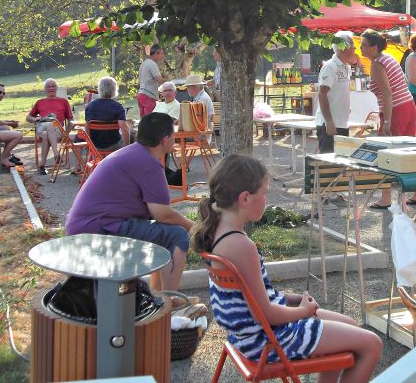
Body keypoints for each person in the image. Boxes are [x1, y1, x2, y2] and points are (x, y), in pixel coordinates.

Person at [190, 154, 383, 381]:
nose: (266, 199)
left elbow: (249, 297)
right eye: (264, 193)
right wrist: (303, 311)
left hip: (249, 336)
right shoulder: (240, 245)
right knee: (371, 343)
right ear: (244, 199)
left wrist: (289, 298)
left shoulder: (217, 232)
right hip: (269, 339)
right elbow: (266, 314)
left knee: (350, 326)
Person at [66, 112, 193, 291]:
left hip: (85, 225)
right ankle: (170, 300)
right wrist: (194, 227)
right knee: (177, 234)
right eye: (173, 137)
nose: (174, 140)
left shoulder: (132, 153)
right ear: (165, 140)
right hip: (97, 228)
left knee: (162, 235)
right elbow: (163, 215)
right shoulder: (148, 162)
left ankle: (157, 296)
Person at [360, 29, 416, 208]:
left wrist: (386, 121)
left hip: (396, 109)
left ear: (374, 47)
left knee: (386, 154)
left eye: (364, 45)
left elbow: (387, 93)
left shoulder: (377, 64)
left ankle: (386, 198)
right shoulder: (388, 57)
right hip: (408, 105)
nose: (361, 48)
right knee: (409, 150)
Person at [315, 31, 356, 153]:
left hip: (342, 123)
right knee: (328, 164)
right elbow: (322, 94)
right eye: (352, 44)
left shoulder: (346, 66)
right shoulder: (330, 66)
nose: (354, 48)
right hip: (330, 124)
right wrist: (329, 121)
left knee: (340, 162)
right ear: (342, 47)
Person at [26, 78, 73, 175]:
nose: (51, 88)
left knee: (45, 134)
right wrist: (35, 119)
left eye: (53, 86)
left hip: (57, 130)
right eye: (48, 86)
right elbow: (28, 117)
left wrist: (66, 134)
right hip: (41, 126)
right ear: (45, 89)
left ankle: (42, 165)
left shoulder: (63, 101)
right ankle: (56, 154)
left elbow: (71, 121)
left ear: (57, 88)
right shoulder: (40, 102)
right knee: (48, 125)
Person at [84, 76, 130, 151]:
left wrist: (89, 145)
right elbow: (124, 129)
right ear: (114, 90)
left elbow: (87, 127)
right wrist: (126, 149)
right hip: (114, 146)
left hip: (95, 147)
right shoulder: (118, 107)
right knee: (130, 134)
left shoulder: (90, 106)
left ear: (99, 90)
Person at [137, 44, 168, 117]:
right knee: (150, 120)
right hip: (148, 96)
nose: (163, 56)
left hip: (141, 94)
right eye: (161, 53)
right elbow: (160, 81)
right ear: (156, 53)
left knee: (143, 121)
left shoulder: (144, 63)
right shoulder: (152, 64)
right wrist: (168, 79)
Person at [185, 74, 215, 142]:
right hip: (201, 132)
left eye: (188, 87)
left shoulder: (202, 99)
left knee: (178, 138)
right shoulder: (200, 97)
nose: (187, 90)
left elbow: (200, 120)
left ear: (194, 87)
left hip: (201, 134)